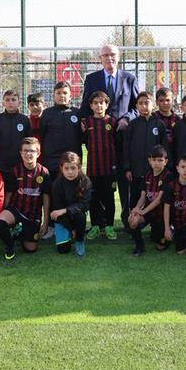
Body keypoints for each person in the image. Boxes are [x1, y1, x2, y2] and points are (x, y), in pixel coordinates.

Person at [79, 44, 140, 217]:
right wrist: (84, 122)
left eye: (112, 54)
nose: (109, 58)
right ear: (100, 59)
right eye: (105, 55)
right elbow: (85, 107)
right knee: (99, 183)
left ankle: (127, 218)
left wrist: (126, 118)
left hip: (123, 140)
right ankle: (100, 221)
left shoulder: (129, 78)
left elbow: (136, 107)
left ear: (118, 57)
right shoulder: (92, 79)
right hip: (100, 143)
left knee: (124, 181)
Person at [0, 137, 50, 254]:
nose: (28, 154)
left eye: (32, 151)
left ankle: (20, 232)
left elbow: (46, 198)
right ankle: (10, 245)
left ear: (38, 153)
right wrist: (4, 212)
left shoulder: (44, 172)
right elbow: (8, 194)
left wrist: (45, 222)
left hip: (33, 215)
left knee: (30, 249)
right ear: (21, 153)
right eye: (25, 151)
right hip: (16, 210)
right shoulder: (15, 171)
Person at [121, 91, 166, 234]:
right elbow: (126, 148)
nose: (144, 106)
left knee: (155, 199)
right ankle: (133, 228)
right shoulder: (132, 125)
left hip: (155, 173)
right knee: (135, 199)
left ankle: (156, 225)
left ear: (153, 105)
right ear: (136, 106)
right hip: (136, 172)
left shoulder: (159, 124)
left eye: (147, 103)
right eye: (140, 103)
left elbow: (164, 149)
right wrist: (127, 168)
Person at [81, 91, 118, 240]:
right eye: (95, 103)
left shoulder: (113, 122)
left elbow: (117, 143)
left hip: (109, 167)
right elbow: (84, 141)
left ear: (107, 105)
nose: (98, 106)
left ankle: (109, 226)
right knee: (93, 197)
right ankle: (95, 226)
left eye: (101, 103)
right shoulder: (86, 122)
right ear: (91, 105)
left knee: (109, 197)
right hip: (93, 168)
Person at [125, 144, 171, 256]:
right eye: (154, 160)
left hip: (162, 214)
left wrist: (142, 211)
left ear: (165, 161)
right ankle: (139, 246)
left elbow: (159, 200)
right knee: (133, 220)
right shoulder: (147, 174)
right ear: (149, 161)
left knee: (160, 245)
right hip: (149, 212)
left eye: (160, 160)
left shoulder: (168, 176)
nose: (156, 163)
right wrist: (136, 209)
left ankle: (162, 234)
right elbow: (143, 196)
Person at [49, 151, 93, 257]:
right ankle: (70, 233)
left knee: (80, 216)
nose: (70, 172)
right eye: (66, 168)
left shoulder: (85, 181)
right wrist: (72, 229)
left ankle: (80, 240)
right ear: (61, 168)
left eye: (73, 168)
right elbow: (57, 212)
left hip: (77, 216)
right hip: (62, 219)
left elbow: (85, 205)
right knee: (63, 250)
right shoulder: (56, 185)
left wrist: (66, 210)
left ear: (79, 167)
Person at [0, 89, 32, 190]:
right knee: (1, 189)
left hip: (19, 162)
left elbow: (29, 141)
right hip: (1, 162)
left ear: (19, 103)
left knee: (18, 189)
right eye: (7, 100)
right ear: (3, 103)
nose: (10, 102)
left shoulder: (25, 120)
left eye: (13, 100)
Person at [39, 81, 82, 175]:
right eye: (58, 93)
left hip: (72, 161)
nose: (62, 95)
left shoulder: (77, 113)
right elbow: (42, 134)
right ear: (53, 96)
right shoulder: (47, 113)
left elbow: (81, 136)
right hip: (51, 161)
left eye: (65, 93)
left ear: (70, 96)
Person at [153, 87, 179, 164]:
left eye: (168, 100)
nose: (165, 103)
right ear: (157, 102)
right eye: (161, 100)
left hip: (173, 157)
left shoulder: (178, 120)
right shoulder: (152, 118)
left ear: (172, 101)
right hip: (156, 158)